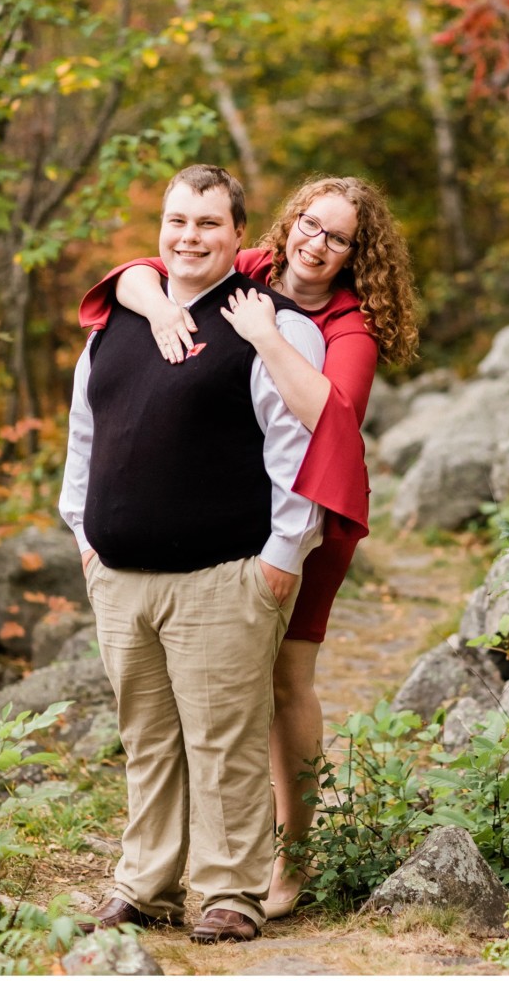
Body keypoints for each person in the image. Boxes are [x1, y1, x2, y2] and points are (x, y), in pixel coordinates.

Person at [78, 174, 419, 917]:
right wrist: (160, 304)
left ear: (360, 256)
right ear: (282, 227)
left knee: (280, 687)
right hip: (173, 540)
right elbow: (145, 270)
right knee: (164, 723)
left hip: (307, 519)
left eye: (338, 237)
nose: (317, 243)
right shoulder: (250, 268)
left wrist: (279, 555)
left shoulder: (344, 330)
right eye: (310, 224)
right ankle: (157, 877)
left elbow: (326, 427)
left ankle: (284, 863)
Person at [60, 164, 326, 943]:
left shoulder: (271, 323)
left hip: (224, 576)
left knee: (223, 742)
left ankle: (229, 894)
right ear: (161, 230)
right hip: (120, 578)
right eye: (178, 221)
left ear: (239, 235)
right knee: (146, 740)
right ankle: (144, 882)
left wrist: (282, 557)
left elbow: (299, 453)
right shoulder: (118, 320)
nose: (190, 236)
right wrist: (84, 535)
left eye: (209, 223)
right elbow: (86, 433)